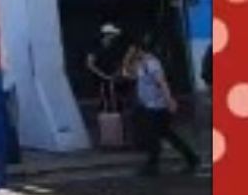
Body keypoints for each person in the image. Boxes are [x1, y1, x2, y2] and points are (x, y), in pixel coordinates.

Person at [125, 35, 202, 176]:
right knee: (166, 134)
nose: (130, 51)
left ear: (138, 49)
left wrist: (170, 100)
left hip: (157, 107)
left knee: (153, 135)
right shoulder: (141, 63)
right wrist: (128, 59)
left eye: (132, 49)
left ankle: (152, 166)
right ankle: (191, 158)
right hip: (149, 105)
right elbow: (128, 74)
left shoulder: (152, 64)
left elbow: (162, 83)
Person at [84, 24, 125, 113]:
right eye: (112, 34)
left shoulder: (114, 47)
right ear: (107, 35)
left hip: (113, 77)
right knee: (104, 100)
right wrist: (104, 76)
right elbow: (90, 64)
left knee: (115, 98)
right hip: (99, 79)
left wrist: (117, 72)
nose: (114, 36)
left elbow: (119, 61)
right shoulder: (95, 47)